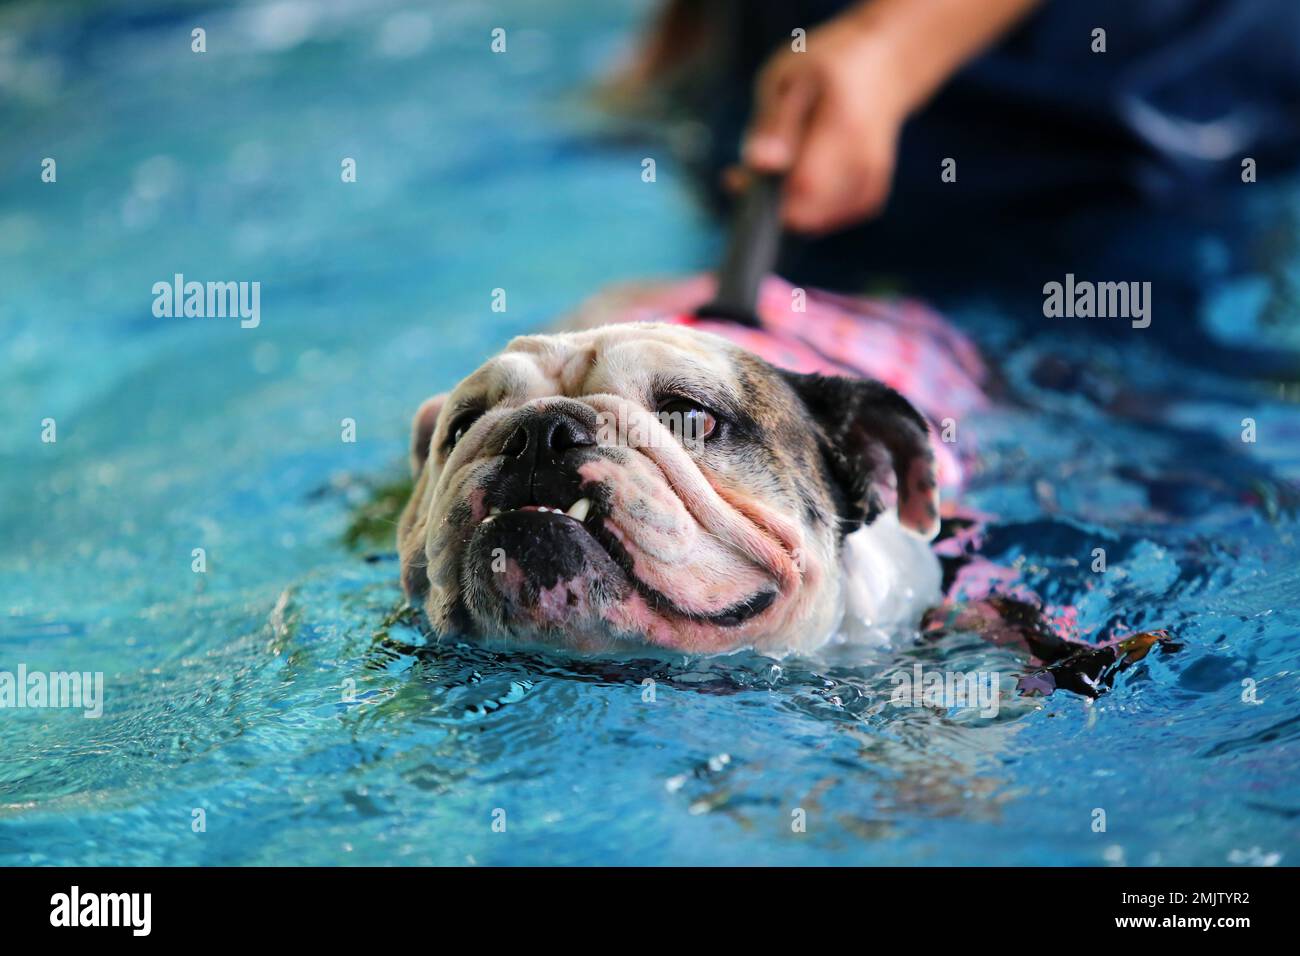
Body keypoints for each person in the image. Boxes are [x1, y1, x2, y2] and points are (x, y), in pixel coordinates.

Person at [620, 0, 1300, 367]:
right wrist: (679, 60)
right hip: (809, 58)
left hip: (1124, 96)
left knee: (1133, 386)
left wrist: (889, 46)